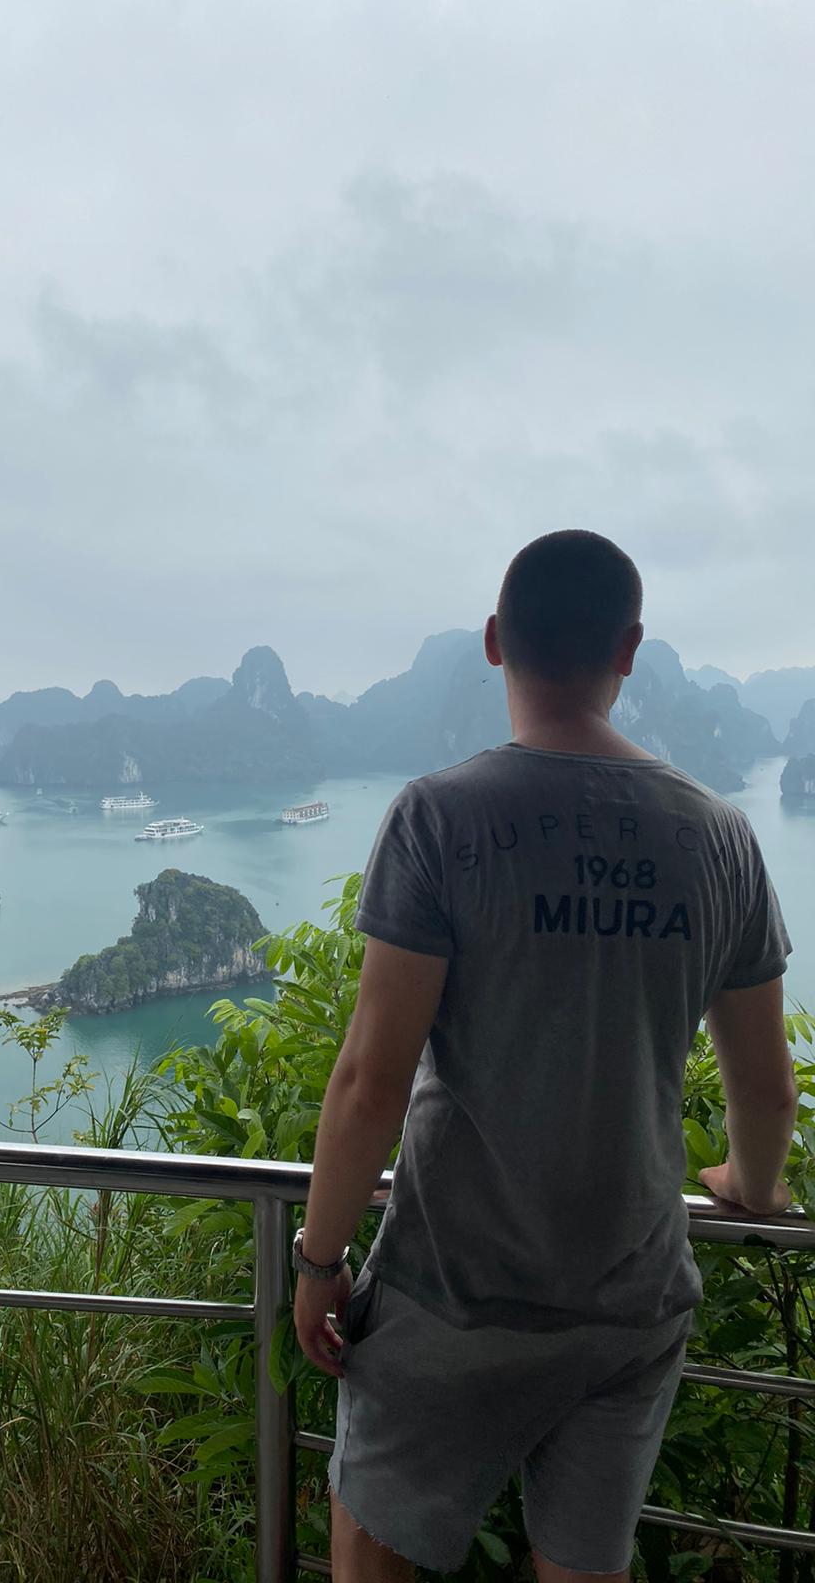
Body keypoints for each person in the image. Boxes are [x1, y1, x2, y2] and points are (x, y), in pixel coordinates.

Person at [292, 530, 796, 1582]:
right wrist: (751, 1184)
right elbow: (761, 1076)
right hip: (631, 1298)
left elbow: (370, 1080)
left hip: (452, 1298)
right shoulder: (721, 837)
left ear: (490, 642)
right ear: (631, 648)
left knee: (373, 1559)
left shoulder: (439, 817)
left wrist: (320, 1260)